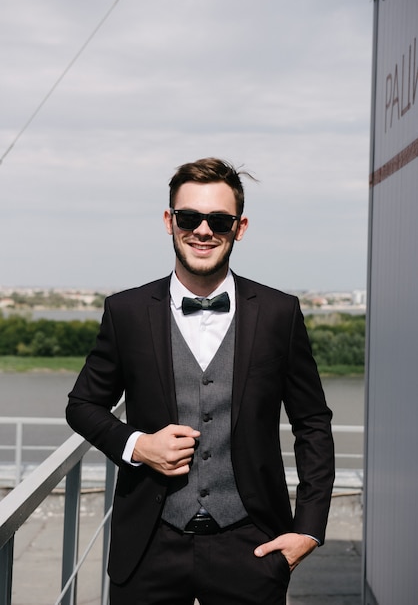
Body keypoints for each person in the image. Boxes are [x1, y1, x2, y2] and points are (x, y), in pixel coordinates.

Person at [66, 157, 334, 605]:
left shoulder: (278, 314)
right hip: (148, 546)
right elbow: (82, 405)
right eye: (190, 217)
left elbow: (312, 423)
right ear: (170, 221)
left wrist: (308, 528)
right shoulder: (127, 312)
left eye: (219, 220)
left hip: (252, 545)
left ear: (240, 227)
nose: (203, 231)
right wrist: (137, 445)